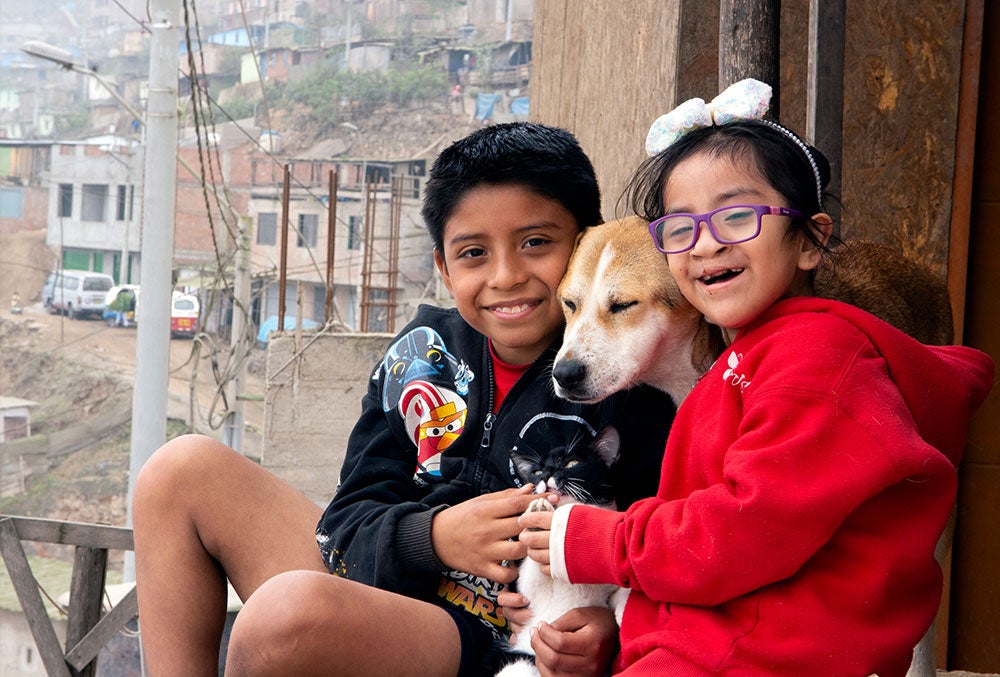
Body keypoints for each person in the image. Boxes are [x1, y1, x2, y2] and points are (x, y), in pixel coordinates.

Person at [132, 121, 673, 676]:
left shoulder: (623, 383)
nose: (507, 276)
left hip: (493, 641)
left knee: (284, 616)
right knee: (179, 471)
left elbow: (659, 551)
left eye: (536, 243)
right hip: (383, 587)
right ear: (442, 266)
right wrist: (432, 537)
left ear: (587, 245)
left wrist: (610, 624)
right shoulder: (422, 356)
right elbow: (347, 519)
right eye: (473, 253)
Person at [517, 80, 994, 676]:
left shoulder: (811, 369)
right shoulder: (747, 357)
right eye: (681, 227)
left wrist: (601, 541)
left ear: (812, 240)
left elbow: (743, 529)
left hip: (759, 653)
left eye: (737, 216)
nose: (708, 242)